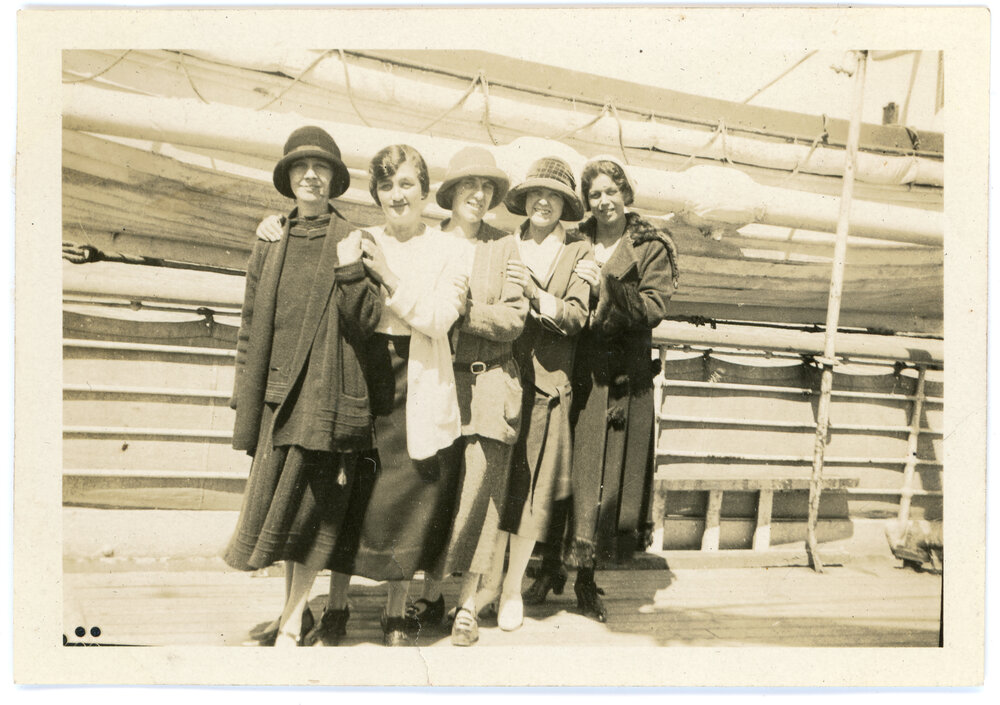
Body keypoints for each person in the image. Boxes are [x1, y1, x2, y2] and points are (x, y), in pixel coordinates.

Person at [255, 144, 470, 647]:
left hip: (415, 376)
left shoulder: (450, 249)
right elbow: (311, 242)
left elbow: (439, 319)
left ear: (424, 191)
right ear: (376, 194)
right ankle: (337, 605)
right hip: (358, 373)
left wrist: (389, 276)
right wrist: (273, 224)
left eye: (407, 184)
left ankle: (396, 610)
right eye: (386, 186)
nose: (397, 195)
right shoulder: (358, 239)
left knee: (406, 495)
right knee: (349, 492)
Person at [223, 126, 384, 647]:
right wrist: (245, 398)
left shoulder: (354, 239)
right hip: (277, 397)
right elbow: (250, 326)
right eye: (301, 167)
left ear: (334, 179)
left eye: (321, 168)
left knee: (314, 513)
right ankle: (292, 611)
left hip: (324, 397)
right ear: (288, 177)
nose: (311, 175)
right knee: (285, 514)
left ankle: (293, 618)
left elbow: (368, 319)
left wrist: (352, 268)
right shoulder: (270, 240)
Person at [524, 155, 679, 623]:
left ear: (625, 193)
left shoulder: (650, 244)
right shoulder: (576, 241)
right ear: (586, 201)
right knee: (565, 470)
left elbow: (654, 306)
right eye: (595, 194)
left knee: (603, 477)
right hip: (576, 373)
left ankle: (586, 580)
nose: (604, 200)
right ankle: (550, 566)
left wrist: (606, 285)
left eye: (612, 191)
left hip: (621, 382)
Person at [406, 146, 527, 646]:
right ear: (451, 192)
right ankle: (432, 593)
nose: (478, 194)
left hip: (491, 383)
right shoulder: (427, 241)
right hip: (437, 381)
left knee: (481, 495)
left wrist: (461, 312)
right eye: (469, 185)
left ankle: (467, 604)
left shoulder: (505, 247)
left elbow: (514, 319)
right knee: (438, 493)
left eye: (487, 187)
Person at [484, 155, 592, 632]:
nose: (544, 202)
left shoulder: (580, 253)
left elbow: (576, 316)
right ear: (525, 200)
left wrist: (532, 293)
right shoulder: (504, 244)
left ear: (566, 206)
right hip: (499, 379)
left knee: (530, 495)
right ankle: (487, 584)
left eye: (555, 196)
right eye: (536, 194)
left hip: (547, 388)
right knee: (497, 487)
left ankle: (512, 589)